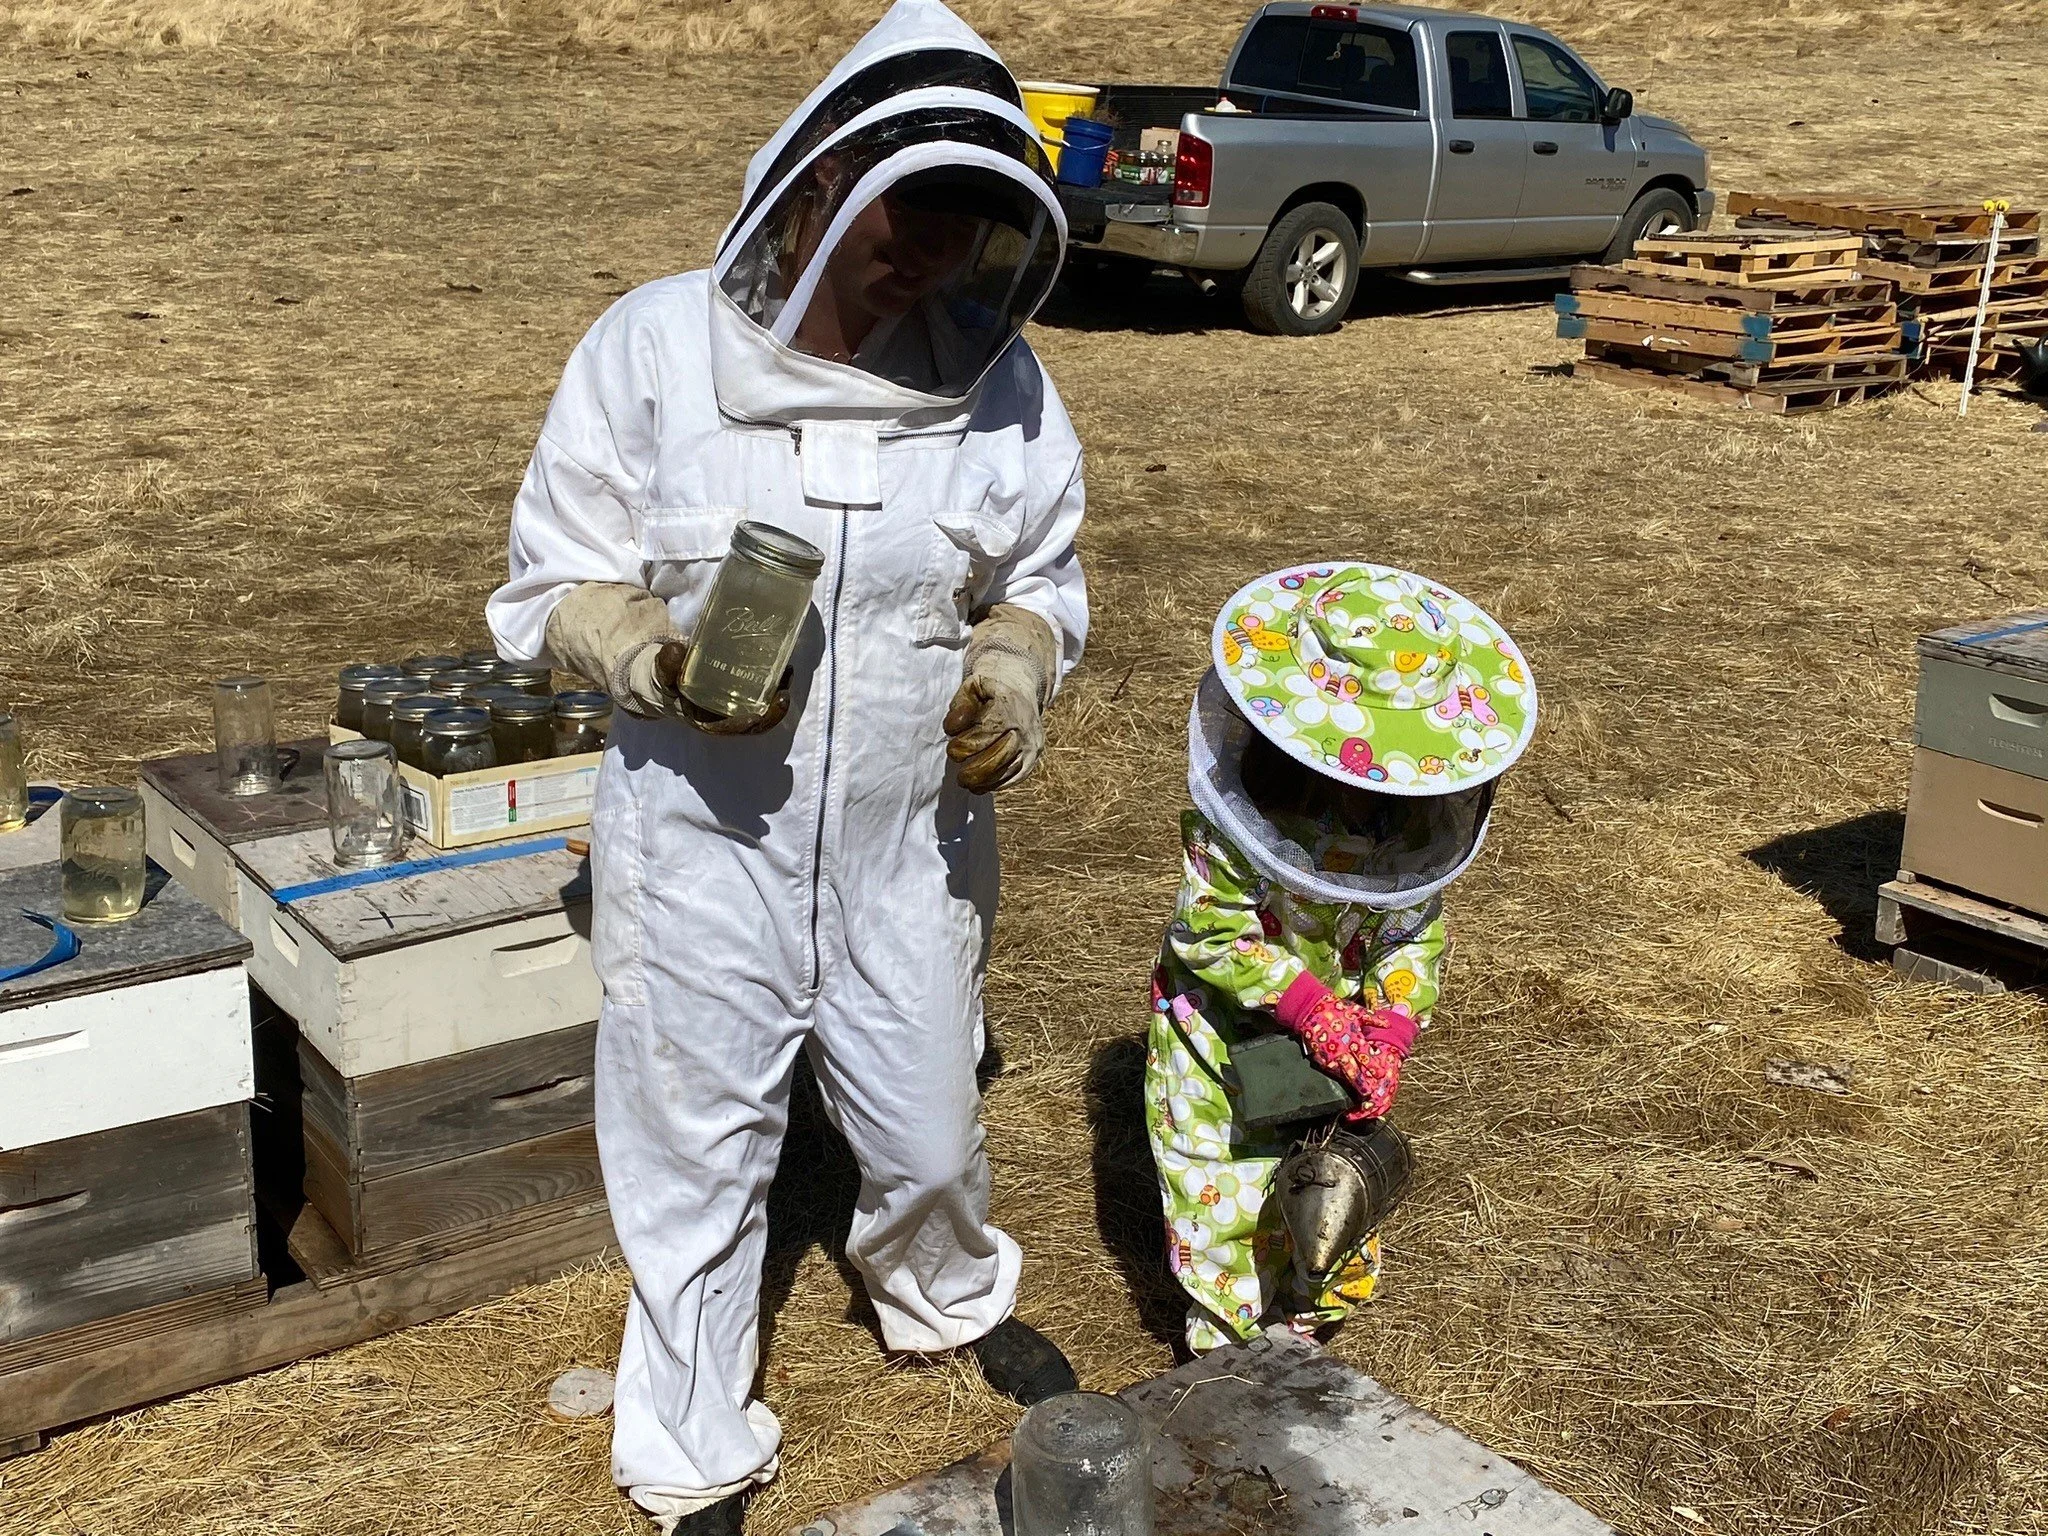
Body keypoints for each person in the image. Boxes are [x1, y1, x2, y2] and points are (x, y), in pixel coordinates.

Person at [485, 3, 1086, 1529]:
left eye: (963, 231)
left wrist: (1013, 666)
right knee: (693, 1157)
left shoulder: (996, 382)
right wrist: (651, 657)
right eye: (908, 217)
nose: (929, 260)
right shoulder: (652, 349)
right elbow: (548, 580)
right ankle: (689, 1446)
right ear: (816, 184)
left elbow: (1042, 575)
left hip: (907, 850)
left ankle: (939, 1292)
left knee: (932, 1130)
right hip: (701, 846)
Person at [1147, 564, 1537, 1353]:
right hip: (1217, 1034)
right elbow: (1212, 931)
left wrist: (1389, 1025)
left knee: (1326, 1181)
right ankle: (1225, 1348)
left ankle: (1306, 1325)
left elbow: (1411, 930)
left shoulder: (1417, 828)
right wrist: (1308, 1006)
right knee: (1221, 1188)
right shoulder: (1239, 825)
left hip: (1340, 1046)